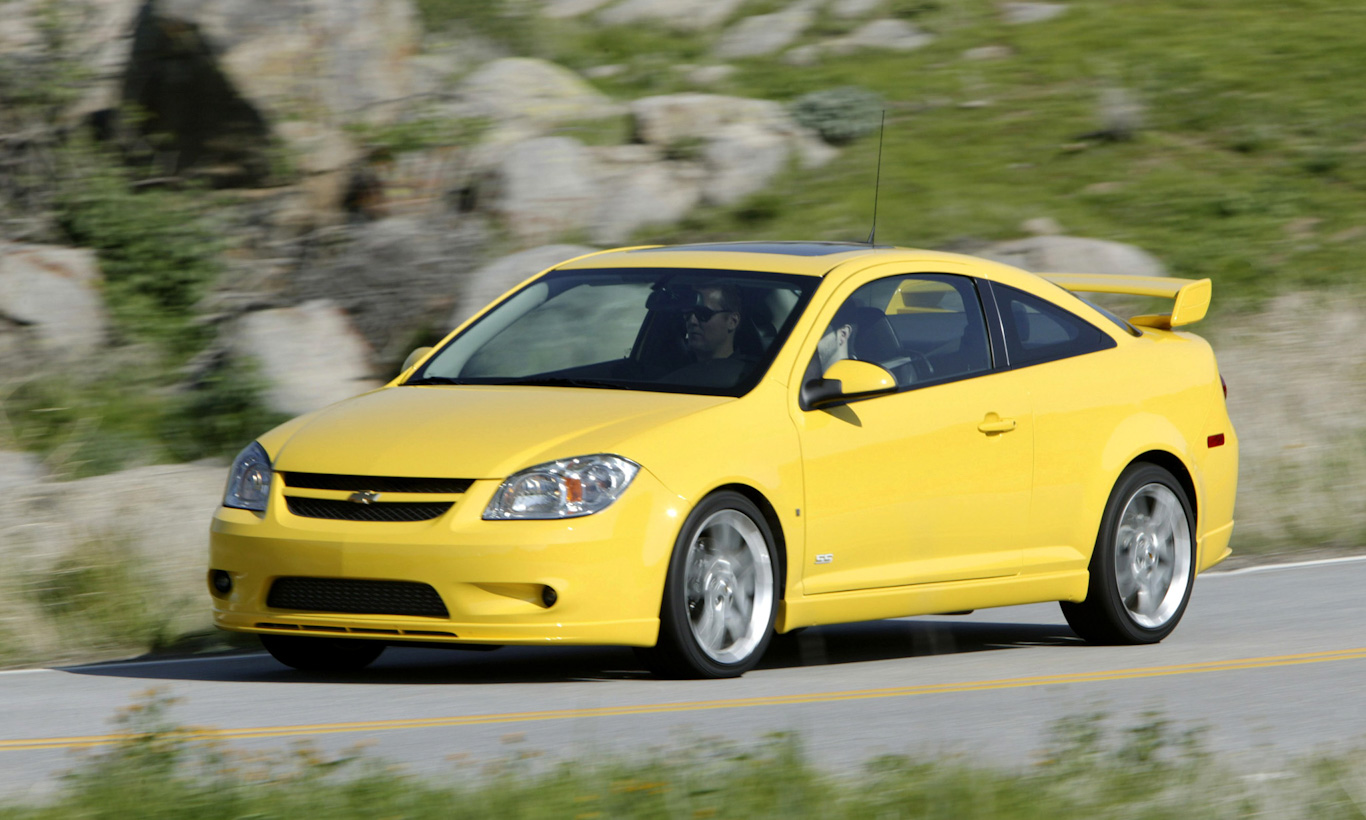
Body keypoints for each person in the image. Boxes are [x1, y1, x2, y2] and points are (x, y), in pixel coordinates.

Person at [683, 283, 743, 361]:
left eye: (703, 313)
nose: (692, 321)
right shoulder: (675, 366)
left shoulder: (749, 368)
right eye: (688, 312)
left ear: (732, 321)